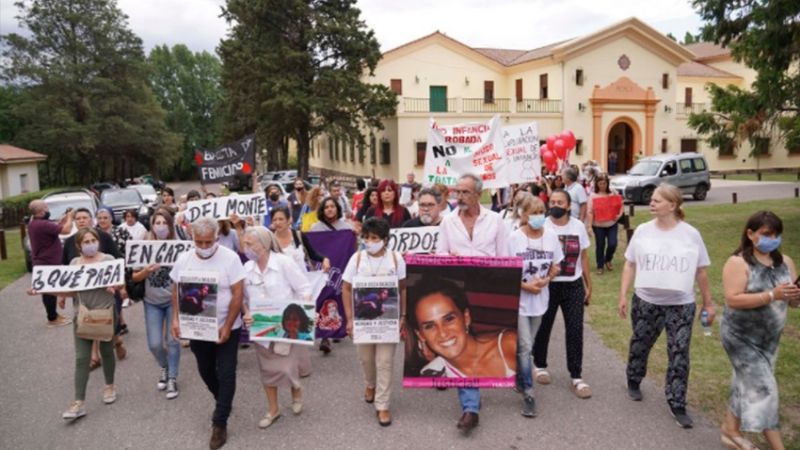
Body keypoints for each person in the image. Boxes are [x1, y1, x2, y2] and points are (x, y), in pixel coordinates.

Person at [617, 184, 714, 429]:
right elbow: (630, 264)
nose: (652, 203)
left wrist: (708, 302)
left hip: (681, 304)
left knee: (679, 351)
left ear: (673, 205)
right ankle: (634, 379)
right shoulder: (642, 231)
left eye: (658, 200)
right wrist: (623, 295)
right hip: (647, 300)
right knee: (641, 343)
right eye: (651, 199)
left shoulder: (691, 234)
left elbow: (701, 270)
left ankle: (677, 401)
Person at [719, 211, 800, 449]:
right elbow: (733, 299)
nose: (772, 239)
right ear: (751, 234)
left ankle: (730, 429)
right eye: (766, 234)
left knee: (745, 382)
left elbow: (792, 302)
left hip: (769, 339)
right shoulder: (738, 263)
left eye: (776, 235)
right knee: (764, 389)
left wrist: (795, 297)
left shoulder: (785, 262)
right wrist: (771, 295)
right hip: (740, 337)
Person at [436, 173, 508, 434]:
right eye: (458, 192)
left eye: (465, 192)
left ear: (479, 194)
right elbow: (440, 254)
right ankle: (470, 407)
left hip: (487, 289)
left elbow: (504, 258)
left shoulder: (496, 221)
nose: (460, 197)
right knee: (463, 345)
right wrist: (450, 258)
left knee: (483, 342)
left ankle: (482, 392)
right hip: (457, 290)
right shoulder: (447, 222)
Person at [29, 227, 122, 420]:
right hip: (82, 316)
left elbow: (120, 286)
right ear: (79, 246)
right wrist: (45, 290)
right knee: (81, 358)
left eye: (92, 240)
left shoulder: (108, 261)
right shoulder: (74, 263)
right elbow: (73, 291)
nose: (90, 245)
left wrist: (115, 288)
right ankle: (78, 402)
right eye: (86, 242)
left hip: (105, 313)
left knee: (106, 351)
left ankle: (109, 386)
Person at [170, 217, 246, 450]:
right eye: (199, 242)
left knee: (227, 373)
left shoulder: (230, 259)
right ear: (192, 238)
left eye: (208, 242)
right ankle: (223, 399)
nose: (203, 247)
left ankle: (219, 422)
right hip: (198, 327)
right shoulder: (184, 259)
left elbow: (237, 294)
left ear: (216, 238)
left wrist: (228, 325)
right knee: (205, 370)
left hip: (227, 326)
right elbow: (176, 288)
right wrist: (176, 318)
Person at [241, 226, 312, 429]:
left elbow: (303, 288)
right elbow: (244, 299)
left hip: (287, 327)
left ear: (263, 245)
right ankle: (273, 409)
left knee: (287, 367)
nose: (246, 247)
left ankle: (295, 390)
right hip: (261, 329)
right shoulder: (247, 269)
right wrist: (246, 312)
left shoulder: (284, 263)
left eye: (249, 243)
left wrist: (304, 308)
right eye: (244, 243)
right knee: (267, 370)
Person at [342, 218, 407, 427]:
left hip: (387, 321)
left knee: (385, 361)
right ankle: (370, 383)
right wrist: (350, 318)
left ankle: (382, 405)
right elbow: (346, 288)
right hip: (363, 322)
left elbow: (403, 289)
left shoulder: (396, 260)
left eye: (374, 238)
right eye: (366, 238)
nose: (369, 242)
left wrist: (403, 316)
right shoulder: (357, 259)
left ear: (385, 239)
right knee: (366, 359)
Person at [506, 193, 562, 417]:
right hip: (519, 300)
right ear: (524, 214)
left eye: (542, 212)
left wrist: (546, 280)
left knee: (526, 344)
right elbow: (506, 272)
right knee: (526, 347)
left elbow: (557, 265)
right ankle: (529, 393)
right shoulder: (514, 239)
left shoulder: (551, 236)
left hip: (541, 299)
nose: (539, 217)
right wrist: (526, 286)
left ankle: (519, 377)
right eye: (534, 213)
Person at [534, 189, 593, 399]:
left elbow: (584, 257)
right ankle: (539, 364)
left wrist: (588, 283)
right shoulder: (542, 225)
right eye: (552, 201)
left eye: (560, 202)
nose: (555, 205)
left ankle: (576, 376)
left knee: (575, 329)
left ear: (569, 206)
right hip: (548, 285)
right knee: (544, 326)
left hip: (573, 284)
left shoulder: (577, 226)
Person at [406, 278, 516, 380]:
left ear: (466, 318)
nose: (443, 333)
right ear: (421, 335)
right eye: (429, 326)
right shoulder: (431, 376)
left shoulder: (510, 345)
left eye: (449, 319)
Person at [131, 210, 181, 400]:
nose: (161, 226)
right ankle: (165, 366)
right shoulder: (143, 247)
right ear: (152, 225)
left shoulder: (179, 247)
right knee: (154, 344)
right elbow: (134, 276)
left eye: (164, 223)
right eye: (157, 223)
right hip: (152, 303)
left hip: (172, 301)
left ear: (170, 226)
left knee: (173, 341)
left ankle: (172, 377)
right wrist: (146, 271)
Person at [26, 199, 74, 326]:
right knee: (49, 292)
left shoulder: (36, 223)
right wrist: (70, 218)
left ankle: (53, 314)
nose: (48, 211)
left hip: (44, 261)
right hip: (46, 262)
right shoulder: (42, 224)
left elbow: (56, 227)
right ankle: (52, 318)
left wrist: (63, 219)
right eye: (46, 209)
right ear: (41, 212)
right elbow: (67, 230)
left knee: (50, 290)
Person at [586, 174, 623, 275]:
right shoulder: (593, 196)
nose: (602, 185)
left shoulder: (613, 192)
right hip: (598, 226)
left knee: (613, 243)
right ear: (597, 184)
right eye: (600, 183)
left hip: (612, 224)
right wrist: (589, 226)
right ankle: (600, 266)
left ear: (607, 183)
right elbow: (589, 212)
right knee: (600, 245)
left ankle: (608, 259)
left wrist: (619, 215)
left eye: (604, 183)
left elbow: (620, 204)